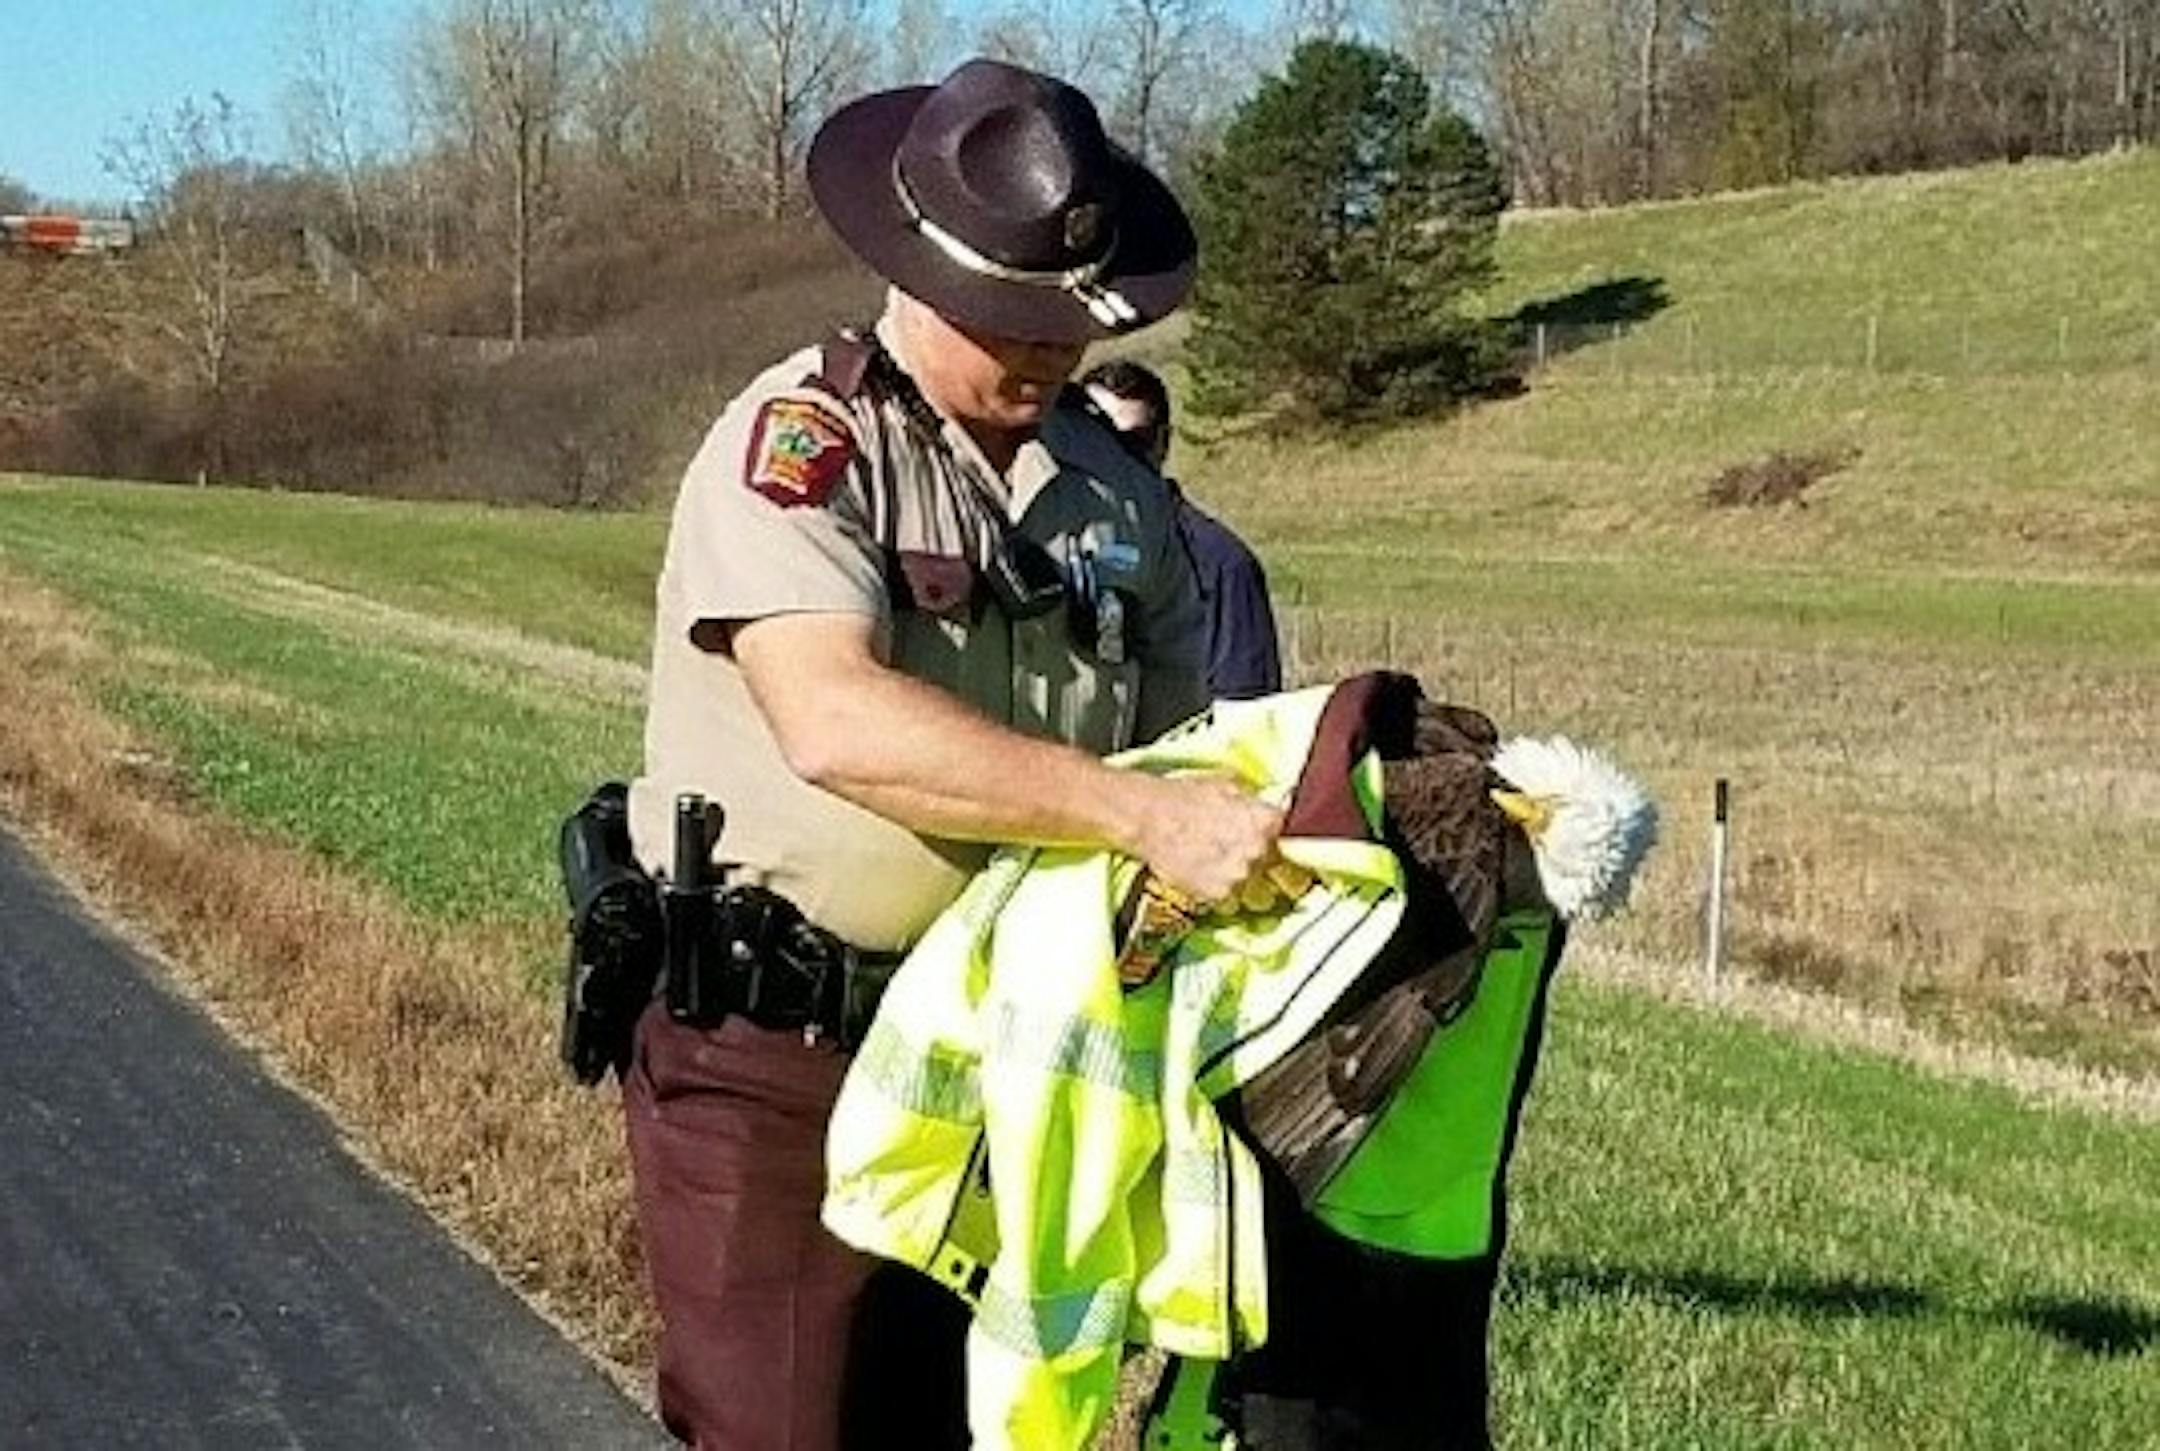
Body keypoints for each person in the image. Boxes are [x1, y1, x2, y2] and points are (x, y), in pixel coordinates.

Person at [618, 57, 1284, 1451]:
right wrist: (1132, 816)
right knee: (789, 1425)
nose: (1045, 356)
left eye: (1068, 328)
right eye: (1013, 322)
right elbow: (834, 718)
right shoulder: (801, 447)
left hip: (1018, 1055)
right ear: (920, 273)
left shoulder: (1116, 493)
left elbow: (1182, 743)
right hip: (781, 1054)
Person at [1081, 359, 1283, 700]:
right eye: (1095, 440)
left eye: (1133, 442)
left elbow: (1244, 715)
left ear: (1163, 442)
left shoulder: (1221, 565)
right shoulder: (1041, 541)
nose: (1114, 458)